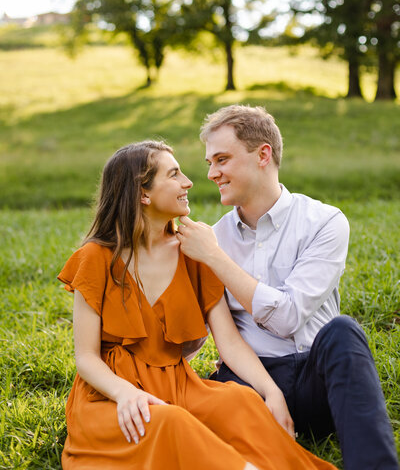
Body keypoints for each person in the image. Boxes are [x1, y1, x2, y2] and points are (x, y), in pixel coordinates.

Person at [57, 140, 339, 470]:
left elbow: (229, 342)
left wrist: (270, 392)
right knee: (169, 421)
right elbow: (86, 357)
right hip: (110, 394)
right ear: (143, 194)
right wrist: (124, 394)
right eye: (174, 174)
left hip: (179, 384)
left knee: (241, 401)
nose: (189, 182)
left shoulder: (194, 252)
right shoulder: (95, 258)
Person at [177, 105, 399, 470]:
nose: (212, 173)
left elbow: (288, 317)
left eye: (222, 159)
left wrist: (216, 259)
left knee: (343, 331)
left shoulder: (324, 222)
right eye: (209, 162)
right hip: (252, 386)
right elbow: (195, 334)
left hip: (321, 382)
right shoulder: (212, 238)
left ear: (263, 154)